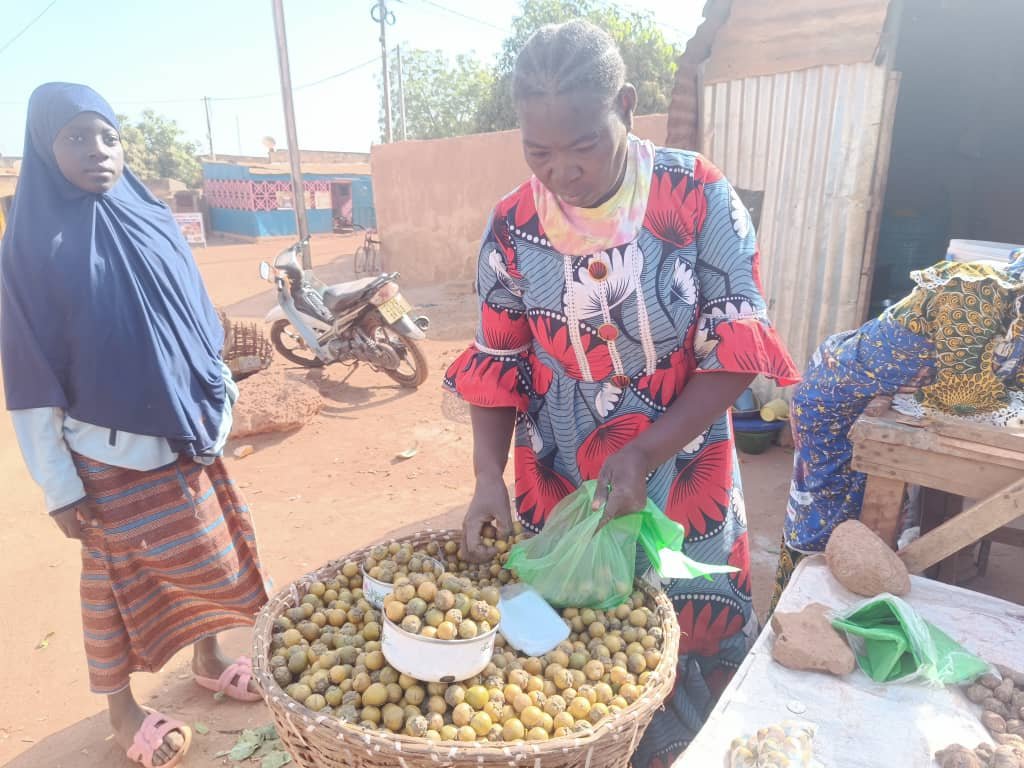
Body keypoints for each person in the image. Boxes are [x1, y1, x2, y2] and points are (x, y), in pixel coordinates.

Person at [443, 21, 799, 766]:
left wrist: (645, 450)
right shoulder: (511, 226)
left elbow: (737, 346)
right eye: (538, 152)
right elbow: (498, 359)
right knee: (570, 654)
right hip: (558, 469)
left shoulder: (695, 193)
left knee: (681, 631)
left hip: (679, 462)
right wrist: (485, 477)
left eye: (583, 147)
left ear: (627, 106)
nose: (562, 172)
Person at [1, 83, 269, 768]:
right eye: (74, 138)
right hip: (106, 454)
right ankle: (121, 709)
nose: (96, 151)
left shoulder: (149, 216)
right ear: (43, 148)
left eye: (107, 136)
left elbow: (197, 320)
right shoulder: (31, 249)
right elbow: (31, 378)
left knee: (208, 554)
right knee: (120, 585)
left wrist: (216, 398)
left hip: (186, 433)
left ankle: (208, 656)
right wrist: (59, 487)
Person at [774, 253, 1024, 612]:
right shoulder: (975, 291)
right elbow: (963, 394)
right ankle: (797, 619)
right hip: (835, 402)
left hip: (876, 399)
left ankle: (846, 622)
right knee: (824, 525)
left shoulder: (1016, 312)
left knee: (869, 531)